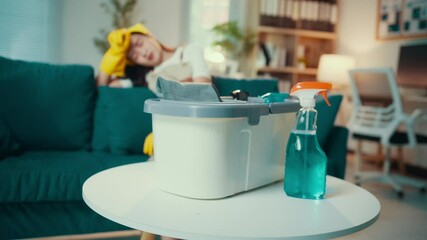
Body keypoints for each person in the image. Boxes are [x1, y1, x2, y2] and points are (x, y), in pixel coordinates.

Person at [96, 23, 211, 91]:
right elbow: (103, 88)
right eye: (135, 56)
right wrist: (112, 56)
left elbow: (203, 91)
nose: (144, 53)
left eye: (139, 44)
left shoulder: (190, 51)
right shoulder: (147, 78)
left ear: (149, 36)